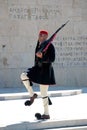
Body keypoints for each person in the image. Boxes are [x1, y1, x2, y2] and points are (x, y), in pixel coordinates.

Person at [20, 30, 56, 119]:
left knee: (43, 93)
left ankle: (46, 114)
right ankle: (32, 95)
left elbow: (52, 59)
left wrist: (42, 57)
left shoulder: (50, 46)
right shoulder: (39, 44)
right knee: (23, 75)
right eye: (39, 35)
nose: (39, 36)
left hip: (46, 71)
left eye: (41, 35)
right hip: (37, 69)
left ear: (46, 37)